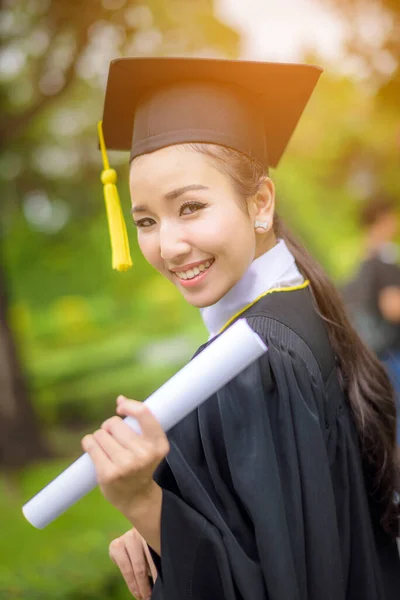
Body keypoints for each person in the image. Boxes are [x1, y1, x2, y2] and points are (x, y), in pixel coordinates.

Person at [80, 57, 400, 600]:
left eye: (191, 206)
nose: (169, 244)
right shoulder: (301, 305)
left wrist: (143, 502)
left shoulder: (255, 361)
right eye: (147, 221)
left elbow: (274, 581)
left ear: (260, 202)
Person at [342, 196, 400, 443]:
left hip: (373, 354)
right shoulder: (384, 261)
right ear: (384, 219)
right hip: (393, 352)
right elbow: (392, 307)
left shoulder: (360, 267)